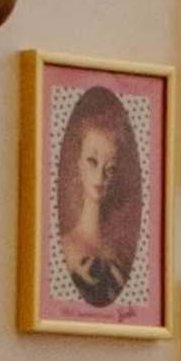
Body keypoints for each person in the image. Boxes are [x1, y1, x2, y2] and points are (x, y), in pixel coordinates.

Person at [51, 84, 145, 316]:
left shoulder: (118, 255)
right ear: (79, 163)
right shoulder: (64, 248)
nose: (99, 177)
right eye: (92, 161)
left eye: (109, 168)